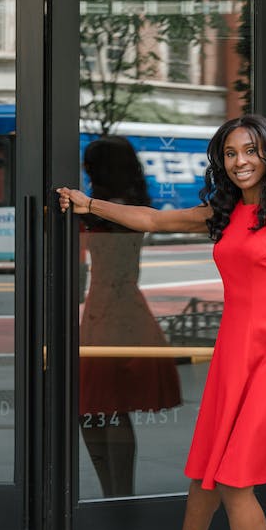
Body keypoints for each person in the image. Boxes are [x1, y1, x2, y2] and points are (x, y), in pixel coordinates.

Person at [57, 114, 266, 530]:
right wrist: (87, 203)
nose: (240, 161)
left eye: (249, 150)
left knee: (236, 479)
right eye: (229, 153)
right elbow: (152, 219)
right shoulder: (220, 213)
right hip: (233, 350)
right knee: (207, 466)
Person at [77, 136, 182, 497]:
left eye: (90, 167)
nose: (86, 174)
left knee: (103, 404)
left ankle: (117, 494)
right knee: (103, 404)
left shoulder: (105, 211)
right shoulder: (125, 207)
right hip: (117, 306)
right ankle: (118, 493)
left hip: (108, 308)